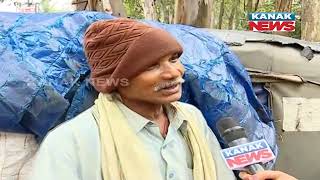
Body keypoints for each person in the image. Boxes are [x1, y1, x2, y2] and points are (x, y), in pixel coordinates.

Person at [28, 18, 295, 180]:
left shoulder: (193, 120)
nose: (174, 72)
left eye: (174, 58)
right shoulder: (71, 142)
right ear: (115, 79)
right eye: (151, 65)